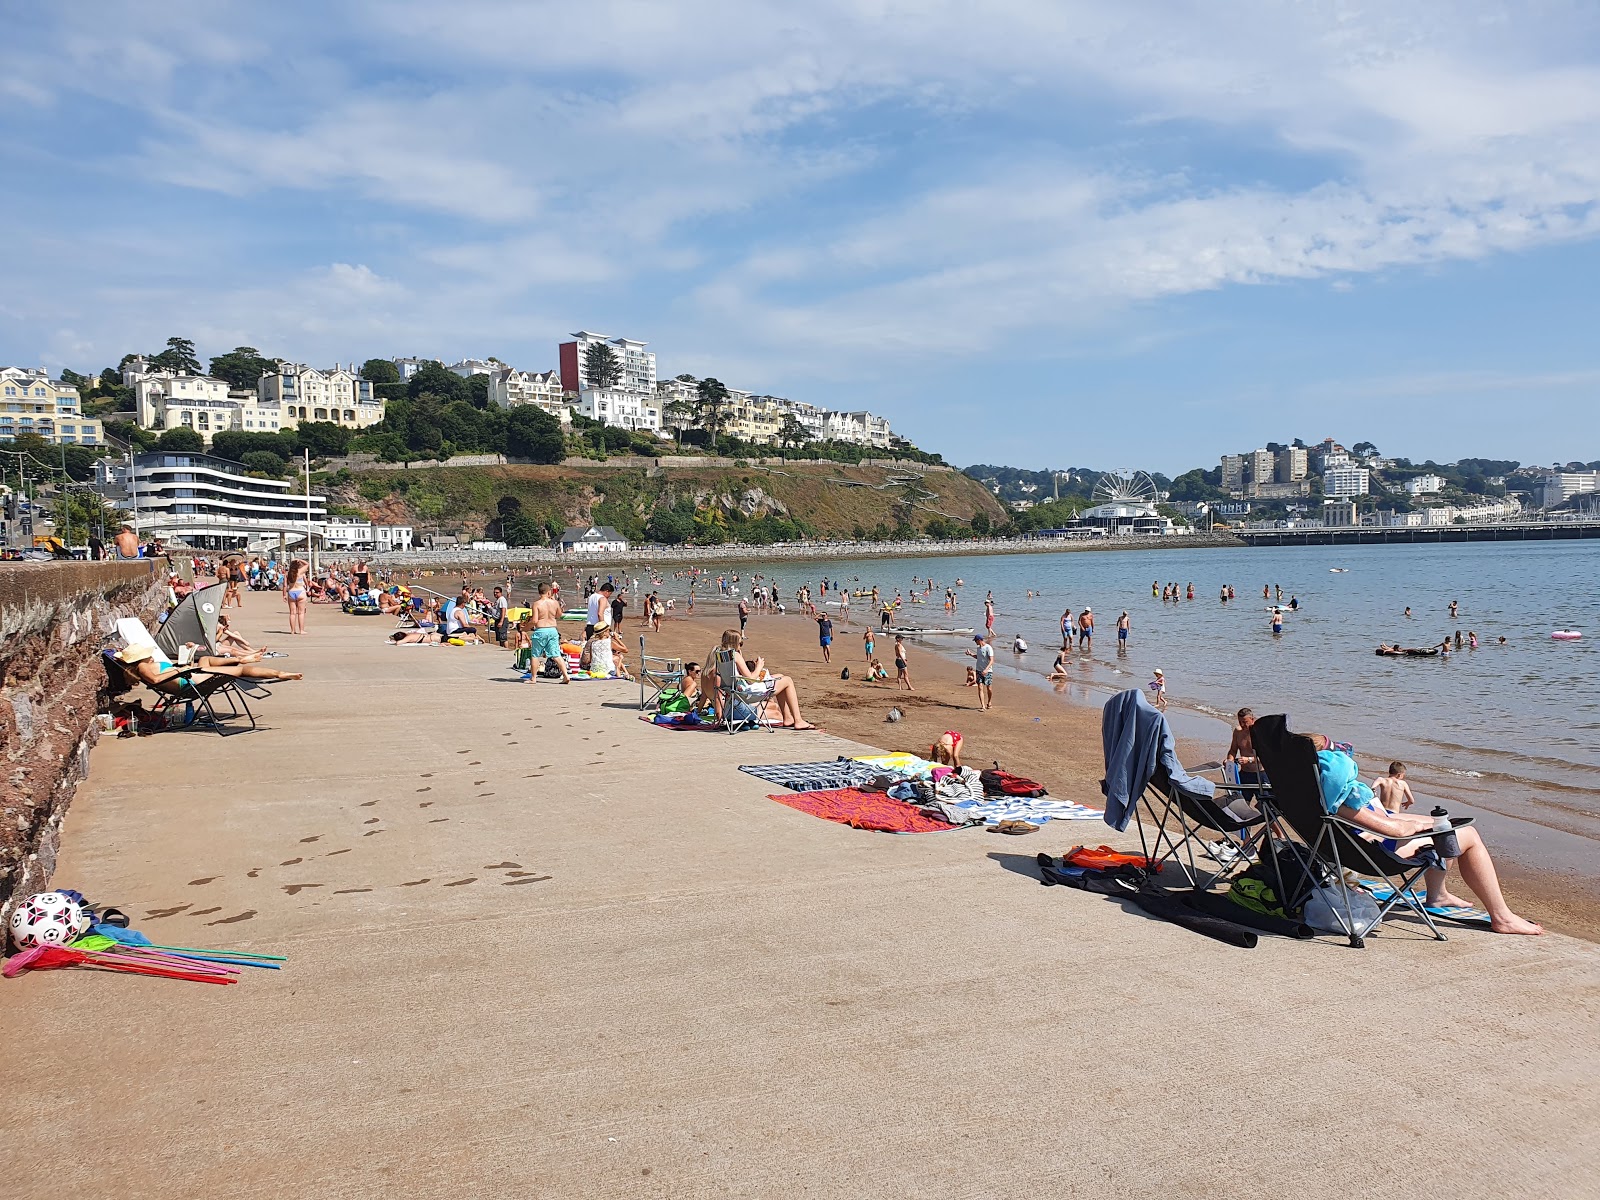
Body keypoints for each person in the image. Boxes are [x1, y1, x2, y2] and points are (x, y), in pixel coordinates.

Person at [1317, 752, 1541, 935]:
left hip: (1353, 846)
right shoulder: (1342, 804)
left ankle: (1438, 895)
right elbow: (1395, 829)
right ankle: (1502, 917)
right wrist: (1420, 826)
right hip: (1377, 852)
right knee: (1467, 834)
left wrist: (1430, 823)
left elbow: (1385, 819)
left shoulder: (1316, 797)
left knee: (1443, 824)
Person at [706, 629, 816, 728]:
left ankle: (788, 718)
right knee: (788, 680)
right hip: (747, 693)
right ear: (735, 643)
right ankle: (798, 720)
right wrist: (759, 666)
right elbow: (750, 679)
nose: (741, 645)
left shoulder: (721, 655)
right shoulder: (735, 655)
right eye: (740, 643)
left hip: (735, 691)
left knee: (780, 677)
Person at [116, 641, 302, 685]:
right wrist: (179, 671)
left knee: (204, 658)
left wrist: (181, 667)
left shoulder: (144, 665)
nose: (151, 656)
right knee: (240, 671)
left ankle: (241, 657)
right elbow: (156, 680)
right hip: (188, 681)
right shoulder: (143, 667)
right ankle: (279, 673)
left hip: (185, 676)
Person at [524, 582, 570, 684]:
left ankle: (534, 678)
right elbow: (559, 615)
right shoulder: (554, 603)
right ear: (549, 592)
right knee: (556, 654)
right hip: (552, 629)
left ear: (539, 592)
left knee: (535, 654)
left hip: (541, 630)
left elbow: (535, 620)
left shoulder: (537, 604)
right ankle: (566, 675)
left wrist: (525, 628)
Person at [1224, 708, 1263, 785]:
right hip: (1244, 773)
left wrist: (1249, 759)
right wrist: (1229, 761)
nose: (1242, 725)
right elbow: (1233, 750)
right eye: (1240, 722)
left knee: (1265, 797)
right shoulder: (1238, 732)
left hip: (1260, 774)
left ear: (1252, 719)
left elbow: (1267, 757)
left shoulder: (1261, 733)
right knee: (1240, 796)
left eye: (1245, 722)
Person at [965, 632, 993, 710]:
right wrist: (970, 654)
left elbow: (992, 660)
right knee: (980, 687)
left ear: (980, 640)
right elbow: (978, 657)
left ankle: (989, 702)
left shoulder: (988, 648)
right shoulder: (978, 648)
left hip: (988, 671)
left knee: (989, 689)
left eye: (976, 641)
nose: (975, 642)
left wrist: (986, 669)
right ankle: (983, 706)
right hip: (979, 670)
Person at [283, 559, 309, 635]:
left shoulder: (287, 574)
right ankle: (301, 630)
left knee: (292, 613)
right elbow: (307, 564)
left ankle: (292, 630)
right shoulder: (300, 572)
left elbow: (285, 585)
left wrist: (284, 595)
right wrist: (299, 560)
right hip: (300, 591)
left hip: (291, 592)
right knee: (301, 613)